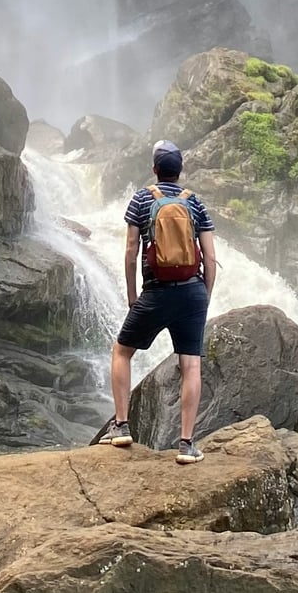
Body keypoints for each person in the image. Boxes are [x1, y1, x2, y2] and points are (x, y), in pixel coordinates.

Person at [102, 139, 217, 462]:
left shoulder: (141, 198)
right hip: (192, 291)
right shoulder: (194, 203)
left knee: (122, 351)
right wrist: (203, 297)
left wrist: (131, 293)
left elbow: (130, 250)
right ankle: (186, 445)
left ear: (155, 169)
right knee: (190, 363)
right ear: (180, 171)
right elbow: (209, 257)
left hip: (156, 291)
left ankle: (122, 426)